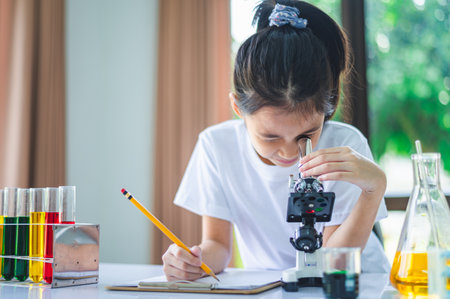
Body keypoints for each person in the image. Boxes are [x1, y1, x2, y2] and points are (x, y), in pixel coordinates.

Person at [162, 0, 390, 281]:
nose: (288, 151)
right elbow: (218, 246)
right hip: (272, 285)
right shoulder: (216, 146)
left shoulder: (344, 146)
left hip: (357, 282)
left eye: (306, 135)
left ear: (327, 109)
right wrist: (193, 261)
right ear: (238, 109)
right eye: (270, 136)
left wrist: (373, 189)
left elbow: (334, 260)